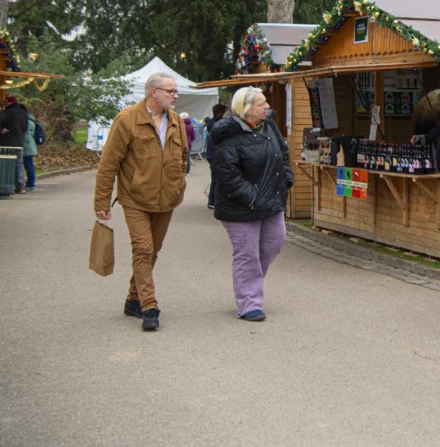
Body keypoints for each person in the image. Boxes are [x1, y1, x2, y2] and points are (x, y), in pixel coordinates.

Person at [93, 73, 188, 332]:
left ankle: (133, 299)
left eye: (175, 91)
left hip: (166, 200)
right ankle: (149, 306)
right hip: (134, 199)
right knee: (143, 249)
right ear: (153, 92)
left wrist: (179, 184)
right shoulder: (126, 120)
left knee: (153, 249)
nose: (175, 95)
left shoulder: (176, 121)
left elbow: (182, 157)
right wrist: (101, 200)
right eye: (171, 91)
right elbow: (108, 164)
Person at [211, 87, 293, 322]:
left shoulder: (268, 125)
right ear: (246, 111)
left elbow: (282, 153)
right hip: (241, 205)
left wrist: (286, 178)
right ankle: (249, 303)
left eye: (266, 102)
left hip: (271, 199)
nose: (267, 107)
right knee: (247, 254)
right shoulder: (227, 135)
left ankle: (250, 282)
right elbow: (228, 175)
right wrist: (254, 196)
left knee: (274, 242)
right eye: (261, 104)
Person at [0, 96, 29, 194]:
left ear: (9, 103)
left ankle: (5, 185)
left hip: (6, 143)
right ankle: (20, 186)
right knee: (19, 164)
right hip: (19, 142)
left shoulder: (5, 113)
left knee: (5, 163)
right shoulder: (24, 113)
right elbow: (25, 128)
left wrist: (2, 130)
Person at [205, 103, 228, 210]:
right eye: (223, 112)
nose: (224, 114)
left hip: (212, 154)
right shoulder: (215, 124)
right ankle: (212, 201)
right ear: (219, 113)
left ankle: (215, 200)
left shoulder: (212, 122)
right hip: (214, 154)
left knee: (217, 178)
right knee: (216, 178)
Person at [22, 104, 38, 192]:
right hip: (30, 145)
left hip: (27, 145)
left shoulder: (27, 121)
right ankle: (30, 183)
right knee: (29, 165)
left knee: (28, 165)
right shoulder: (31, 119)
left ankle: (30, 184)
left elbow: (26, 134)